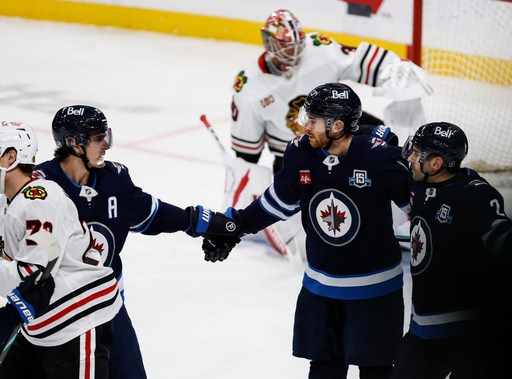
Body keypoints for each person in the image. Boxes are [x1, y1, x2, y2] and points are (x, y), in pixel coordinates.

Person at [203, 82, 412, 378]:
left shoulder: (380, 158)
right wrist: (235, 226)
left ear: (337, 125)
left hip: (375, 290)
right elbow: (276, 202)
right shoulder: (301, 153)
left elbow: (420, 211)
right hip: (320, 286)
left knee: (375, 370)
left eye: (313, 121)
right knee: (324, 368)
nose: (304, 126)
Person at [30, 105, 245, 379]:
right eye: (98, 138)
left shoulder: (114, 180)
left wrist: (209, 225)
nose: (106, 144)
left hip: (108, 307)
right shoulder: (39, 189)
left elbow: (152, 214)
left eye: (106, 135)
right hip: (58, 315)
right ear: (74, 144)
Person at [225, 9, 427, 252]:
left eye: (297, 44)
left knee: (389, 151)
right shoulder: (249, 87)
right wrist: (254, 194)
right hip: (300, 154)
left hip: (346, 131)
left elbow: (361, 60)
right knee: (316, 229)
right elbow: (246, 155)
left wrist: (395, 68)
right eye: (287, 47)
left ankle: (404, 216)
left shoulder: (319, 48)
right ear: (269, 43)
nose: (295, 52)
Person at [0, 120, 124, 378]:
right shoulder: (8, 201)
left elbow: (37, 273)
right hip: (40, 326)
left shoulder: (40, 200)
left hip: (76, 320)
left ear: (11, 157)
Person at [392, 122, 512, 379]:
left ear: (436, 164)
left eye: (416, 153)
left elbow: (502, 237)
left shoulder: (474, 197)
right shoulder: (417, 180)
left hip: (468, 332)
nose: (409, 158)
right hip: (422, 326)